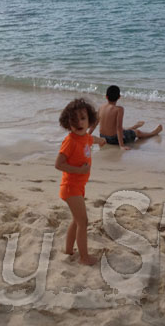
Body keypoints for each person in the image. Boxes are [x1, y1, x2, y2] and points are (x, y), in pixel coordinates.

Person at [55, 98, 106, 266]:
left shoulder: (85, 137)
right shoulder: (70, 141)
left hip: (78, 187)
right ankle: (84, 257)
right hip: (70, 187)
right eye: (74, 119)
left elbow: (93, 140)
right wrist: (80, 170)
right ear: (67, 122)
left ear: (89, 121)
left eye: (83, 118)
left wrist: (103, 141)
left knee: (76, 220)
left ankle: (69, 249)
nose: (79, 122)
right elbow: (59, 164)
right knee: (83, 222)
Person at [93, 85, 162, 150]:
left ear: (106, 97)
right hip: (113, 139)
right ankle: (153, 133)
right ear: (119, 97)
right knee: (137, 132)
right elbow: (118, 128)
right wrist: (121, 145)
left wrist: (86, 136)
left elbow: (94, 124)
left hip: (102, 137)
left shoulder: (101, 107)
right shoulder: (119, 109)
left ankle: (134, 126)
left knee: (121, 129)